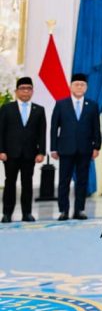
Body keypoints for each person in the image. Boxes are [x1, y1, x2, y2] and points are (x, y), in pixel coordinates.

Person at [50, 73, 101, 220]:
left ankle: (79, 210)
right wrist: (53, 148)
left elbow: (96, 127)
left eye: (82, 85)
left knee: (82, 180)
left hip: (85, 149)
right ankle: (63, 210)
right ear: (70, 86)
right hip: (65, 148)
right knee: (64, 180)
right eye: (76, 84)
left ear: (86, 87)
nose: (79, 87)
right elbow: (54, 127)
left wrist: (96, 146)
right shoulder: (61, 104)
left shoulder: (92, 105)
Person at [0, 77, 46, 223]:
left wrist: (41, 152)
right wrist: (1, 150)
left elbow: (42, 133)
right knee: (10, 183)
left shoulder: (39, 110)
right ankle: (7, 213)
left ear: (32, 91)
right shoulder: (7, 108)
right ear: (16, 91)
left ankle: (27, 213)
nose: (25, 91)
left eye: (28, 88)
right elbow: (1, 131)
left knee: (27, 183)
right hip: (10, 153)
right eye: (22, 88)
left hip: (29, 154)